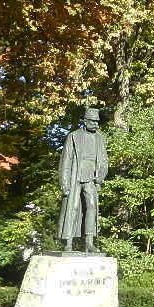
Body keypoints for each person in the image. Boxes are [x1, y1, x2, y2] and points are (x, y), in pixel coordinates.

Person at [56, 106, 109, 252]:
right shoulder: (73, 136)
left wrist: (99, 179)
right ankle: (68, 243)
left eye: (97, 122)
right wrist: (64, 183)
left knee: (92, 206)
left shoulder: (99, 138)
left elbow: (103, 161)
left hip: (90, 178)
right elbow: (65, 161)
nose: (96, 124)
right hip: (74, 177)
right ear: (85, 121)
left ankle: (89, 242)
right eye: (93, 122)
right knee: (71, 208)